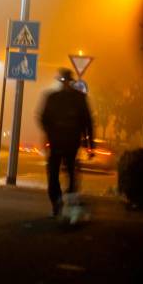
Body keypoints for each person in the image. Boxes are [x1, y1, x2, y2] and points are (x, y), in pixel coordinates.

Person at [38, 68, 95, 217]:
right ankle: (64, 202)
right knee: (65, 173)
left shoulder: (52, 97)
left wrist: (49, 132)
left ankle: (61, 203)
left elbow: (43, 118)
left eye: (66, 82)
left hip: (60, 142)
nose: (65, 84)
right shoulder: (78, 98)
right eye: (65, 82)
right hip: (67, 142)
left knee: (59, 173)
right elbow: (88, 122)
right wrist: (90, 145)